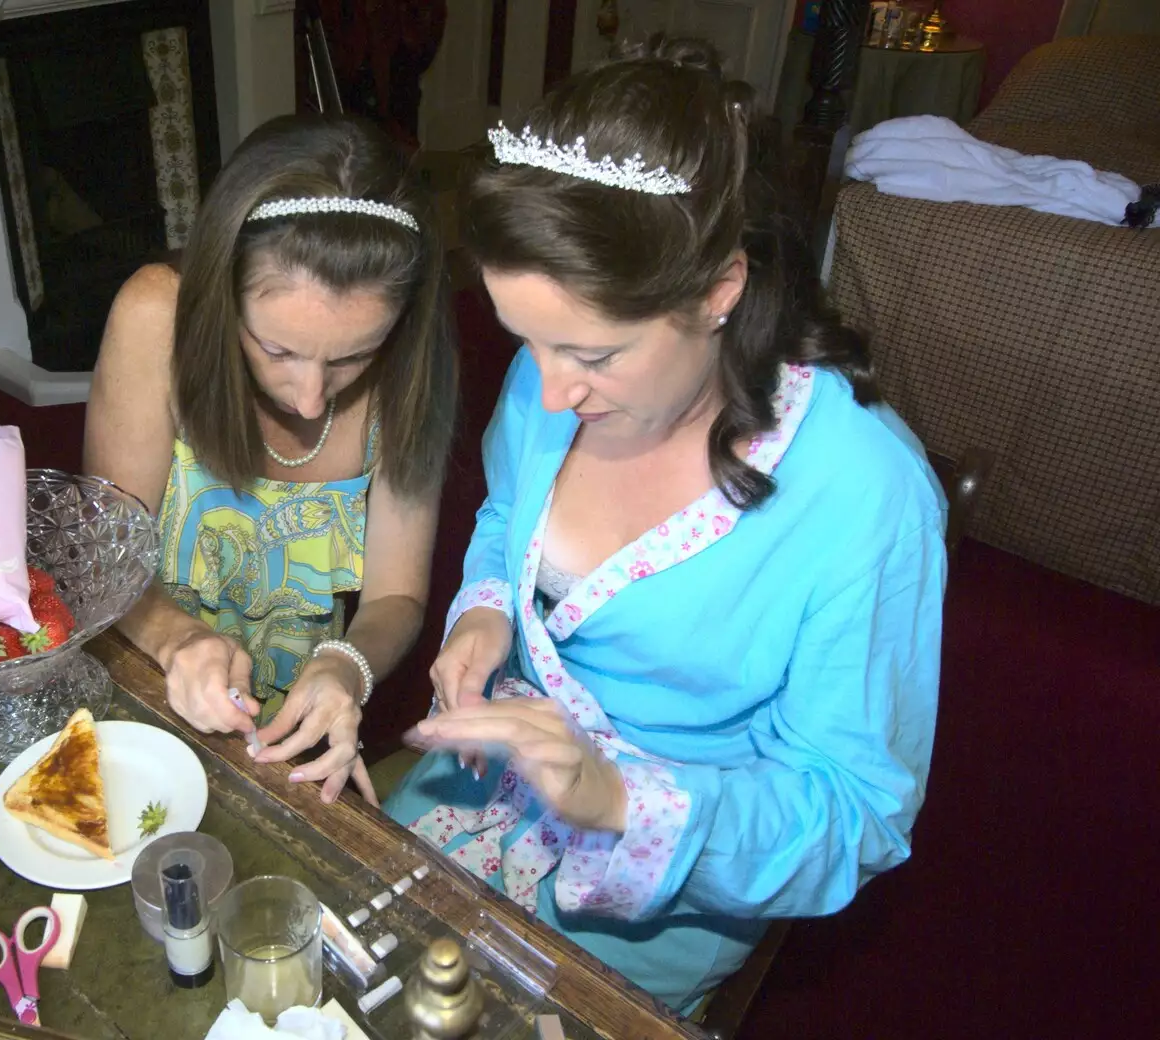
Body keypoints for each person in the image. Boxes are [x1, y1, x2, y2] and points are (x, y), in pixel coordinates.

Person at [384, 37, 945, 1012]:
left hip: (660, 893)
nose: (550, 388)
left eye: (592, 354)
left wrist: (618, 801)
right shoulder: (555, 367)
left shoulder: (862, 492)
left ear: (719, 290)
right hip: (483, 788)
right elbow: (507, 508)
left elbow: (855, 815)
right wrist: (484, 612)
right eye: (525, 340)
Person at [85, 114, 457, 806]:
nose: (312, 399)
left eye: (352, 357)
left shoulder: (414, 364)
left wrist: (346, 666)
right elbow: (105, 554)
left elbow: (397, 596)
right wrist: (172, 638)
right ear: (220, 294)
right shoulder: (154, 317)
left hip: (288, 729)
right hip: (137, 677)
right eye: (278, 351)